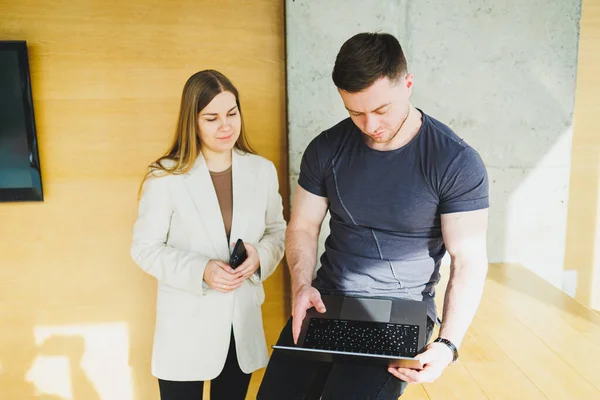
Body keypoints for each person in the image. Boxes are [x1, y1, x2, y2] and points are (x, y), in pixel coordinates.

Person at [257, 32, 489, 399]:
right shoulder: (326, 149)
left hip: (402, 310)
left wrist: (448, 344)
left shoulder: (455, 161)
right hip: (327, 300)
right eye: (355, 113)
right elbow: (302, 225)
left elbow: (469, 259)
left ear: (408, 84)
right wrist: (302, 285)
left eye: (381, 110)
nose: (369, 125)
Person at [131, 70, 286, 400]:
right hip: (184, 330)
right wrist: (201, 269)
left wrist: (260, 255)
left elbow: (277, 231)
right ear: (193, 121)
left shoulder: (262, 171)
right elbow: (144, 248)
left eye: (232, 113)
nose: (226, 126)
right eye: (212, 118)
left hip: (240, 330)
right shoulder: (165, 176)